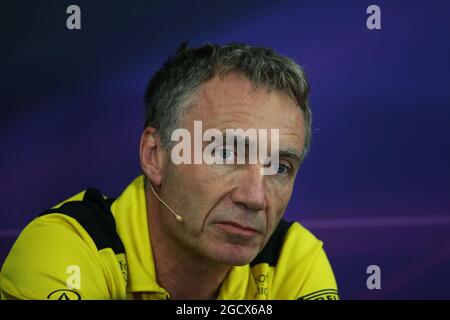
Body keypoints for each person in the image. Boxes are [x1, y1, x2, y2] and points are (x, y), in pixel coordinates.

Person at [0, 43, 339, 300]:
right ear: (155, 155)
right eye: (224, 152)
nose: (254, 197)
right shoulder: (66, 248)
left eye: (279, 166)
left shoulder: (292, 259)